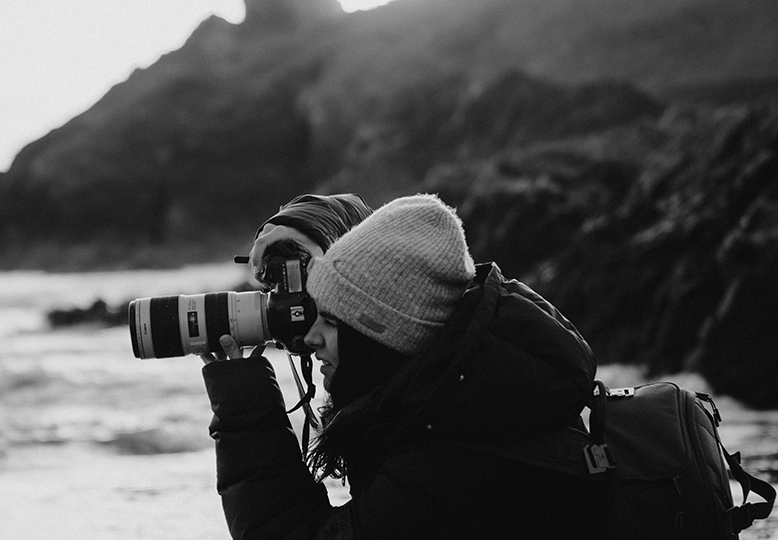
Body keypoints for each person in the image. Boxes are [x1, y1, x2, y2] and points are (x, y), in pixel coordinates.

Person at [201, 193, 609, 539]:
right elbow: (379, 270)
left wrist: (244, 408)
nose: (309, 339)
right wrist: (300, 228)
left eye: (329, 322)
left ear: (377, 337)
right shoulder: (463, 395)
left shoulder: (443, 460)